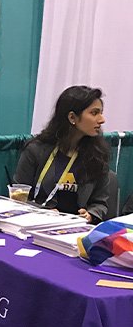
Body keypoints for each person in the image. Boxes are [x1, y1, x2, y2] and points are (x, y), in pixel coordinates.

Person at [15, 85, 109, 223]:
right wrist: (41, 212)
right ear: (72, 117)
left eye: (101, 113)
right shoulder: (35, 150)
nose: (102, 120)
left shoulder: (98, 155)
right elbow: (18, 198)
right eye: (94, 113)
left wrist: (90, 214)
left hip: (74, 230)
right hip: (35, 224)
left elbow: (100, 203)